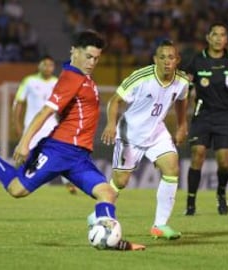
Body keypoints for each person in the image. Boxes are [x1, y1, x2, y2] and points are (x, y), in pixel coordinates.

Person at [0, 30, 145, 251]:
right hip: (58, 150)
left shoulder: (84, 78)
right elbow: (44, 112)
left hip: (79, 156)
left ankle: (110, 240)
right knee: (16, 190)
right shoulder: (71, 78)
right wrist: (24, 142)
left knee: (107, 193)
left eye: (96, 58)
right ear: (74, 52)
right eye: (88, 56)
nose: (92, 62)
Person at [88, 39, 189, 239]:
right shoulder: (141, 78)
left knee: (172, 168)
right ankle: (97, 214)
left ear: (177, 60)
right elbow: (115, 100)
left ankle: (160, 225)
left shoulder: (182, 81)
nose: (167, 62)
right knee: (121, 181)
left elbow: (181, 99)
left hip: (157, 133)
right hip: (129, 134)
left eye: (171, 57)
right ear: (155, 60)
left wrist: (182, 125)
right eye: (162, 57)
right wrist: (110, 124)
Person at [183, 22, 228, 216]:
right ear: (208, 38)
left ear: (227, 39)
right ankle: (191, 202)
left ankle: (221, 192)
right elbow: (185, 90)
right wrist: (181, 118)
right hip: (202, 115)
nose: (219, 38)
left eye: (223, 35)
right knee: (198, 154)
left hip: (225, 116)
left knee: (225, 163)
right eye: (215, 35)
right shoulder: (197, 61)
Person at [12, 55, 78, 195]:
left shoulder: (57, 82)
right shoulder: (29, 81)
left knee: (59, 153)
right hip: (32, 126)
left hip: (51, 126)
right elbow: (19, 102)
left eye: (50, 65)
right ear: (39, 65)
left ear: (53, 67)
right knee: (24, 154)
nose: (47, 68)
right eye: (45, 64)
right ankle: (16, 179)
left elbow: (64, 106)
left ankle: (68, 182)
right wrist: (16, 124)